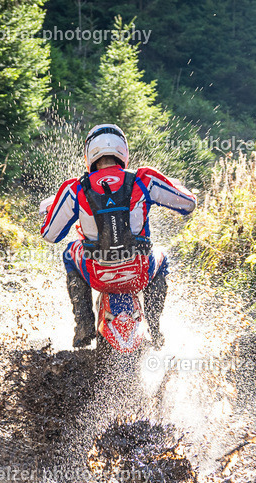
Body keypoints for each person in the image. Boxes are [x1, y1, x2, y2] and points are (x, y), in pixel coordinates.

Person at [40, 124, 197, 348]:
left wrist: (50, 211)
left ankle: (84, 323)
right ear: (123, 151)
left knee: (69, 253)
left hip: (98, 275)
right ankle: (154, 326)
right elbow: (188, 204)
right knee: (161, 255)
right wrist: (177, 187)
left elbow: (49, 234)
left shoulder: (74, 189)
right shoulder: (144, 179)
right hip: (140, 272)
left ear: (89, 155)